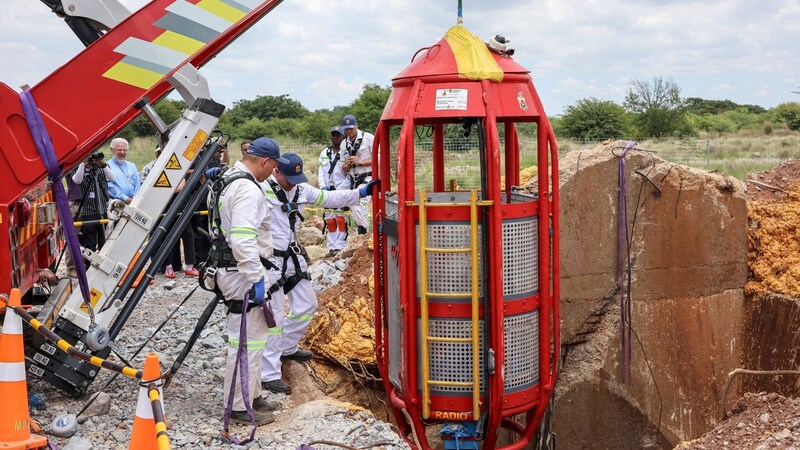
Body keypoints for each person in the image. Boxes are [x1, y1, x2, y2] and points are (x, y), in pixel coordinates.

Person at [260, 153, 379, 395]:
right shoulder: (260, 189)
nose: (293, 183)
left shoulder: (301, 189)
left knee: (306, 305)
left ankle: (287, 346)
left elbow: (330, 198)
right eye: (289, 178)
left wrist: (362, 192)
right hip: (269, 260)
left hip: (291, 256)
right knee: (274, 319)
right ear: (276, 172)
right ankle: (269, 374)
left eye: (297, 178)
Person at [212, 136, 286, 426]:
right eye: (273, 167)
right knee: (247, 341)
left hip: (234, 271)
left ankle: (251, 393)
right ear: (266, 161)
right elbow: (243, 240)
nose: (272, 173)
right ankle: (240, 405)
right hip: (243, 274)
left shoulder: (230, 179)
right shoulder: (247, 190)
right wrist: (256, 278)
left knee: (252, 339)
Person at [71, 150, 115, 254]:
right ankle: (88, 265)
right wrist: (83, 164)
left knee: (104, 241)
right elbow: (77, 180)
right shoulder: (78, 167)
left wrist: (103, 165)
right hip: (89, 210)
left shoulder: (102, 166)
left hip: (103, 209)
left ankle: (103, 259)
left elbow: (112, 178)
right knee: (89, 242)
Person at [318, 126, 350, 256]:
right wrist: (323, 187)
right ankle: (331, 247)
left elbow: (350, 175)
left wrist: (340, 189)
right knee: (330, 220)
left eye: (338, 135)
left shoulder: (347, 153)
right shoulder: (324, 153)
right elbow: (321, 171)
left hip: (341, 190)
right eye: (333, 135)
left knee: (341, 219)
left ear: (343, 137)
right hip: (327, 191)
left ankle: (340, 246)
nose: (335, 137)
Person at [340, 114, 374, 235]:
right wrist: (347, 164)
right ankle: (361, 232)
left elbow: (380, 159)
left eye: (351, 128)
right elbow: (343, 168)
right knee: (340, 199)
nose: (349, 131)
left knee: (358, 203)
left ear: (356, 126)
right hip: (352, 179)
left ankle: (364, 232)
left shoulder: (368, 138)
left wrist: (361, 163)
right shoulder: (344, 144)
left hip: (368, 176)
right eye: (346, 129)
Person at [106, 137, 141, 204]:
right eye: (119, 150)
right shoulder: (106, 166)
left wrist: (135, 199)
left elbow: (137, 184)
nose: (122, 152)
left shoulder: (132, 165)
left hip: (134, 202)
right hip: (117, 203)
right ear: (112, 150)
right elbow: (109, 186)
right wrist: (125, 198)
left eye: (124, 150)